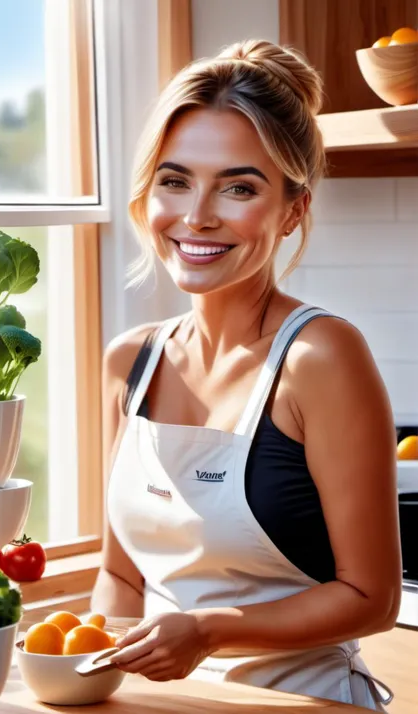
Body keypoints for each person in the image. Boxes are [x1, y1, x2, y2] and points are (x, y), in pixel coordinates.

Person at [91, 39, 401, 710]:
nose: (198, 215)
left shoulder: (321, 359)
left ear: (292, 209)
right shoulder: (130, 362)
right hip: (160, 703)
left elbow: (371, 598)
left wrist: (205, 632)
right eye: (176, 180)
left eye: (238, 187)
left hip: (304, 698)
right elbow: (119, 575)